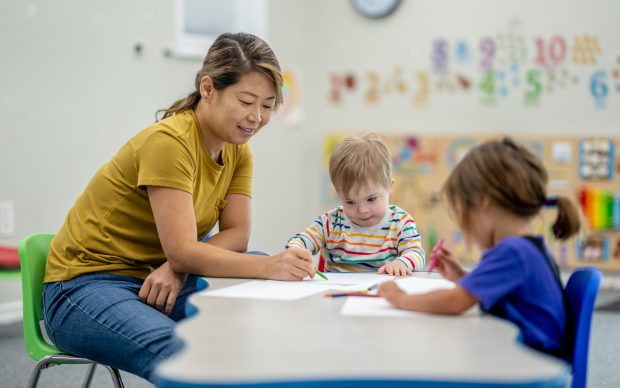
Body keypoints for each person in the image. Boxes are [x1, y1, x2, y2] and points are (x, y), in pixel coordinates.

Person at [42, 32, 316, 382]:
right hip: (85, 286)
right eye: (246, 101)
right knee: (184, 354)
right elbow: (184, 251)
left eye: (267, 105)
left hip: (156, 276)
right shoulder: (169, 143)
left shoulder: (238, 151)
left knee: (261, 305)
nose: (256, 117)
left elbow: (237, 235)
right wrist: (264, 266)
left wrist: (179, 265)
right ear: (207, 88)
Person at [379, 137, 581, 359]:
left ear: (484, 202)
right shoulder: (527, 247)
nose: (466, 229)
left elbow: (454, 303)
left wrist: (401, 299)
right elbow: (506, 292)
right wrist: (462, 277)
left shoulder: (513, 252)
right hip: (530, 357)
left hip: (531, 364)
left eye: (464, 214)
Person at [286, 134, 425, 275]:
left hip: (382, 292)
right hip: (335, 292)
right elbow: (303, 240)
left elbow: (417, 254)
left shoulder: (401, 223)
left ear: (390, 186)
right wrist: (296, 249)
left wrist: (402, 262)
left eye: (371, 199)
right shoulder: (332, 222)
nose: (362, 210)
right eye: (350, 202)